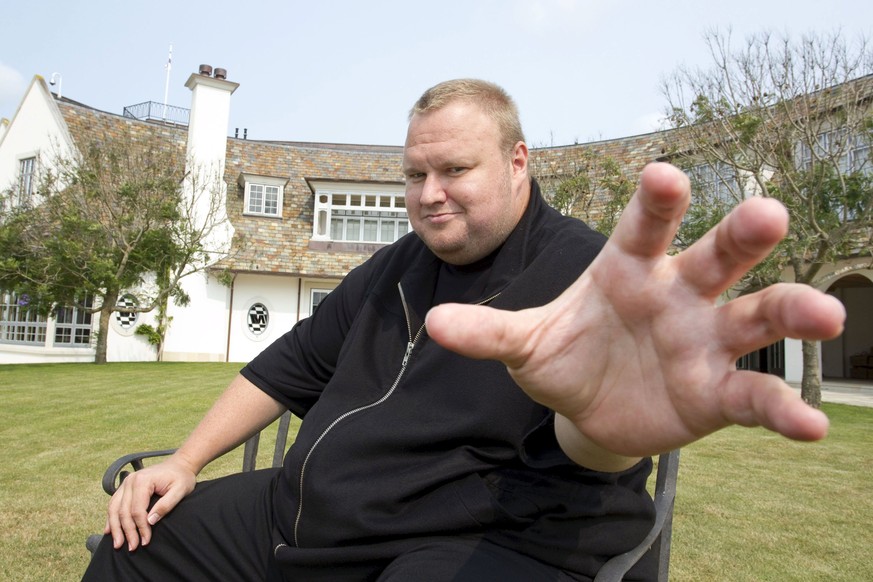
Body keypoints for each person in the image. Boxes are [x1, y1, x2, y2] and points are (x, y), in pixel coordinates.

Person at [84, 79, 845, 581]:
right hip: (313, 519)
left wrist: (606, 427)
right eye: (415, 175)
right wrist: (183, 461)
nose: (429, 194)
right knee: (139, 545)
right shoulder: (392, 269)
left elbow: (593, 446)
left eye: (454, 170)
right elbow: (281, 369)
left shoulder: (590, 277)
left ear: (518, 162)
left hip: (483, 544)